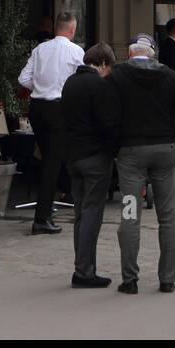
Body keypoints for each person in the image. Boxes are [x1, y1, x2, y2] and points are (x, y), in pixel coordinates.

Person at [100, 34, 175, 294]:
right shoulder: (170, 76)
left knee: (130, 214)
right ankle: (167, 279)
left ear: (130, 53)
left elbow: (109, 119)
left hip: (131, 153)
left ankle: (130, 279)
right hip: (165, 151)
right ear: (152, 53)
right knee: (168, 216)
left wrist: (116, 149)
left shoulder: (117, 77)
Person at [18, 11, 83, 234]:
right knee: (52, 163)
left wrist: (40, 85)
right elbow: (82, 81)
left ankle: (48, 208)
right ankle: (41, 217)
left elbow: (23, 79)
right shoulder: (76, 52)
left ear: (56, 28)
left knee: (50, 159)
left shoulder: (40, 49)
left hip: (37, 108)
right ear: (72, 29)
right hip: (58, 107)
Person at [61, 42, 116, 289]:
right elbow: (107, 122)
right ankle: (84, 271)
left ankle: (81, 265)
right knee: (92, 212)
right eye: (109, 68)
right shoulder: (99, 85)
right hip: (95, 156)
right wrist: (114, 150)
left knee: (80, 212)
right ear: (103, 64)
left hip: (73, 155)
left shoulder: (69, 83)